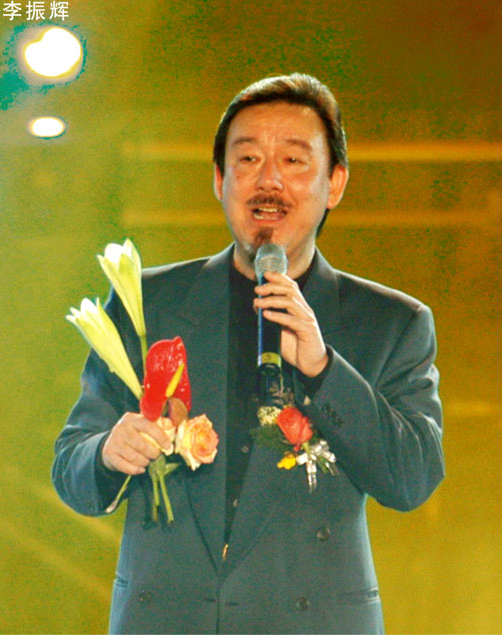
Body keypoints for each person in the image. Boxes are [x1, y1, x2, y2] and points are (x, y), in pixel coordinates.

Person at [53, 73, 445, 634]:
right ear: (219, 179)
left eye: (293, 161)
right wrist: (106, 453)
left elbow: (411, 478)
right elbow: (72, 466)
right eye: (248, 159)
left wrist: (323, 369)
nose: (269, 181)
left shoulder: (389, 323)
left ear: (335, 183)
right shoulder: (150, 304)